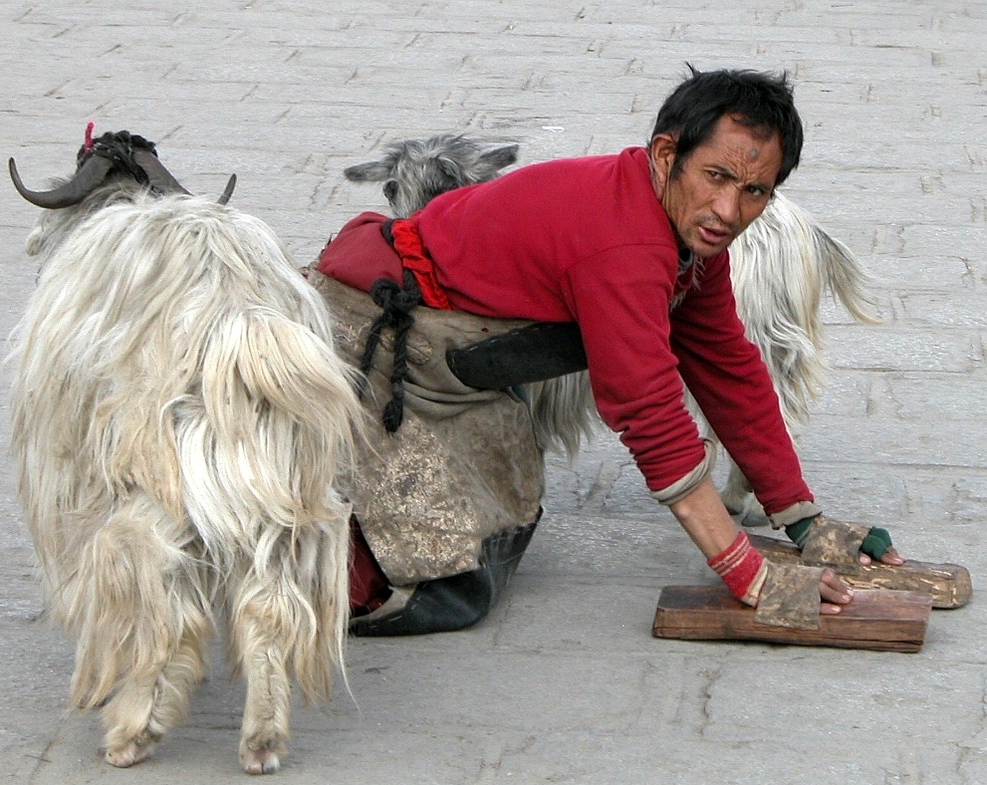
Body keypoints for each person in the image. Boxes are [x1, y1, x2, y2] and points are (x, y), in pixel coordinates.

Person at [311, 65, 905, 635]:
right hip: (377, 329)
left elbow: (728, 368)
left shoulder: (682, 231)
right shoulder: (624, 246)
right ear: (668, 156)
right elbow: (648, 412)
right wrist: (746, 573)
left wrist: (803, 521)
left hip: (458, 348)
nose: (729, 211)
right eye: (716, 177)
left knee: (499, 535)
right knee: (438, 591)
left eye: (755, 191)